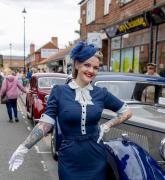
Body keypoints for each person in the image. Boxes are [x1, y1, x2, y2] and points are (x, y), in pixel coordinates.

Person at [8, 41, 132, 180]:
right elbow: (45, 124)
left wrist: (107, 125)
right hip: (69, 159)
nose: (91, 71)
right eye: (87, 65)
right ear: (77, 64)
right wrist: (24, 147)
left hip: (96, 157)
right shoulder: (59, 92)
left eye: (96, 68)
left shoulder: (101, 93)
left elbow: (126, 111)